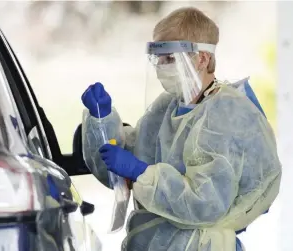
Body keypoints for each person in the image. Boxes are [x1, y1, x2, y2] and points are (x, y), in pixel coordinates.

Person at [80, 7, 281, 251]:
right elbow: (118, 174)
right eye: (157, 59)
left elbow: (206, 203)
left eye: (170, 59)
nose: (160, 68)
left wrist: (141, 172)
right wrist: (101, 120)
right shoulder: (166, 108)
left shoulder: (227, 114)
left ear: (202, 59)